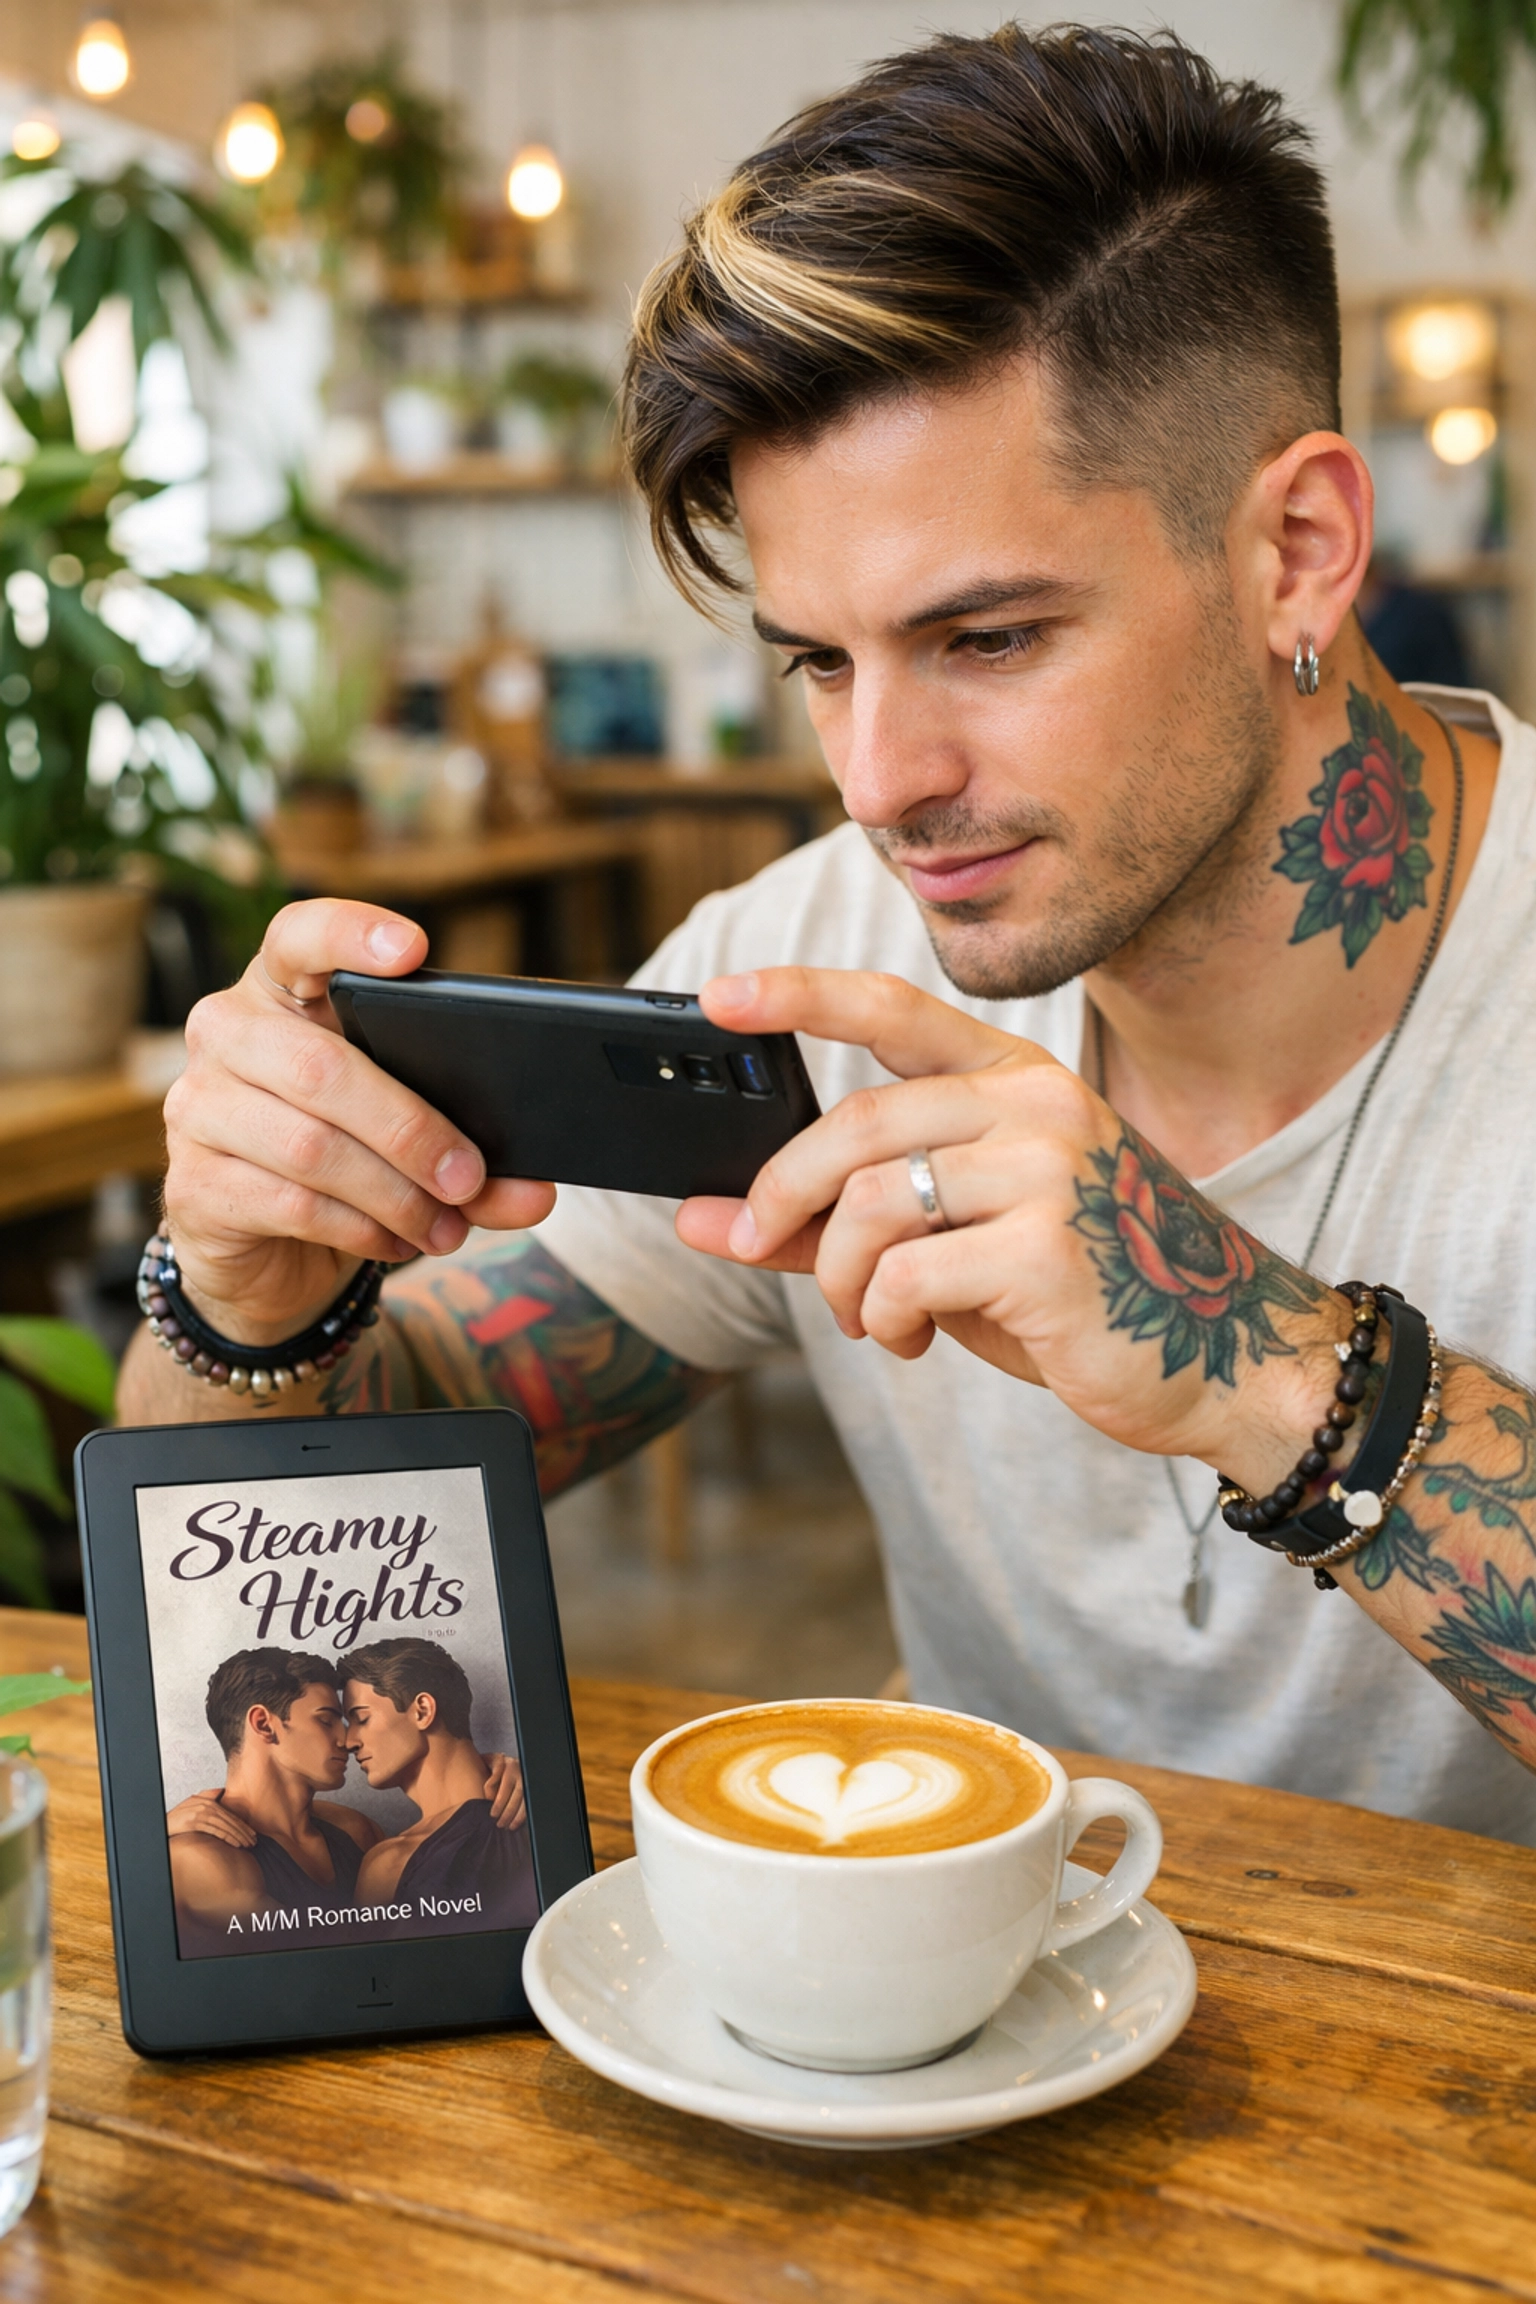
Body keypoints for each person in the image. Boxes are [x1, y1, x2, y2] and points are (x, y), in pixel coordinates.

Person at [123, 26, 1536, 1840]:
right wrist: (254, 1303)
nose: (878, 777)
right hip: (963, 2054)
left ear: (1298, 549)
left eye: (992, 637)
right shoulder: (814, 959)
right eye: (817, 659)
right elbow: (302, 1591)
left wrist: (1259, 1360)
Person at [168, 1647, 377, 1952]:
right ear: (264, 1725)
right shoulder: (197, 1857)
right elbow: (326, 1957)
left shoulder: (355, 1830)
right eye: (325, 1720)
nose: (346, 1740)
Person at [343, 1637, 539, 1929]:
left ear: (422, 1710)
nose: (349, 1742)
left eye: (361, 1718)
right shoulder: (540, 1809)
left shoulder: (390, 1865)